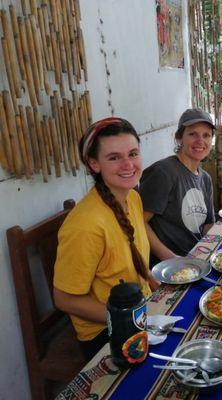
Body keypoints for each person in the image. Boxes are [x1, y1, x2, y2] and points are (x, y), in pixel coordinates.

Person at [53, 117, 158, 360]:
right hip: (106, 330)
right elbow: (64, 298)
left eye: (133, 153)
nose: (128, 164)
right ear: (94, 163)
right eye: (114, 157)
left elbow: (135, 262)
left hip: (142, 308)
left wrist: (156, 287)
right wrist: (129, 319)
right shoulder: (86, 224)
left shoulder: (132, 197)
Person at [139, 108, 215, 264]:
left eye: (206, 135)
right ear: (179, 138)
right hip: (167, 265)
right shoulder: (164, 173)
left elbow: (207, 224)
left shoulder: (205, 179)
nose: (200, 140)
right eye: (193, 134)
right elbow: (139, 222)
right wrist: (170, 258)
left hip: (196, 257)